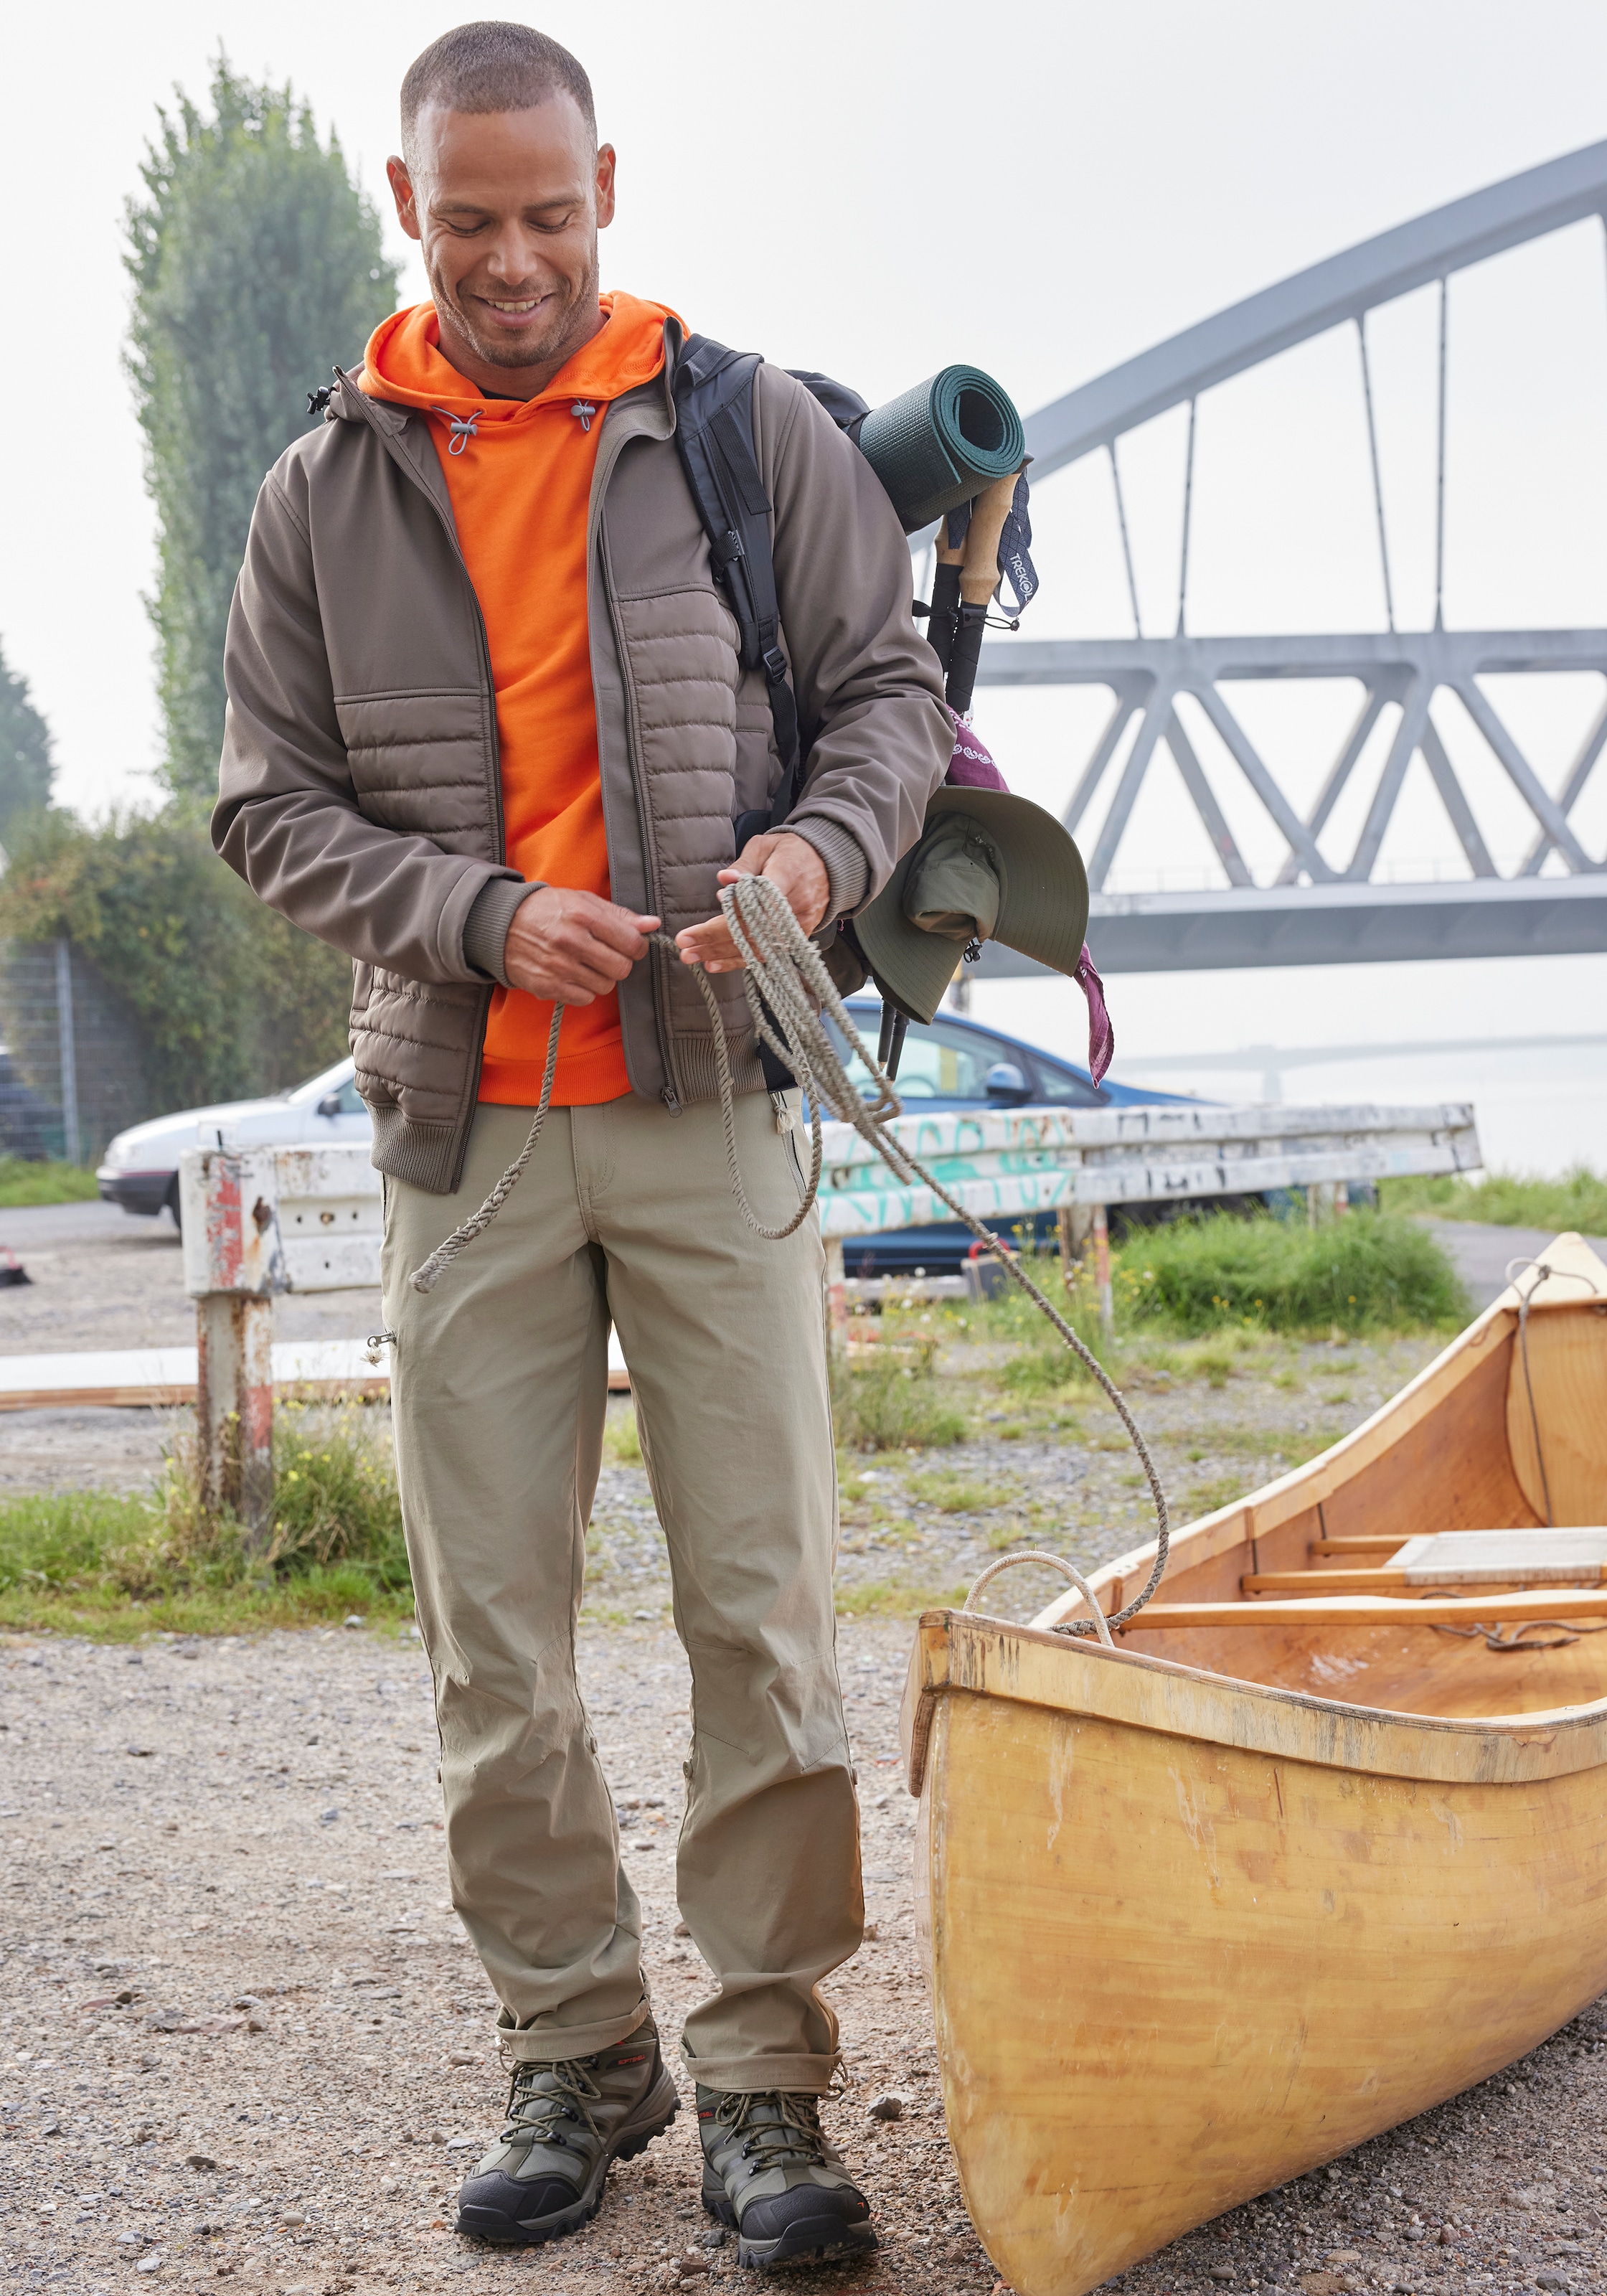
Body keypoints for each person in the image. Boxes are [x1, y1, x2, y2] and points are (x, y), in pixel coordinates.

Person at [213, 15, 951, 2269]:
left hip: (716, 1110)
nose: (511, 259)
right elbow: (263, 805)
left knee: (764, 1620)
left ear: (607, 188)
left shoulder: (755, 431)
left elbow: (891, 708)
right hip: (468, 1133)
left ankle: (762, 2085)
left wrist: (816, 869)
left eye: (546, 215)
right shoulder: (318, 493)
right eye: (469, 221)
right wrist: (475, 914)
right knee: (493, 1647)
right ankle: (577, 2045)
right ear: (406, 202)